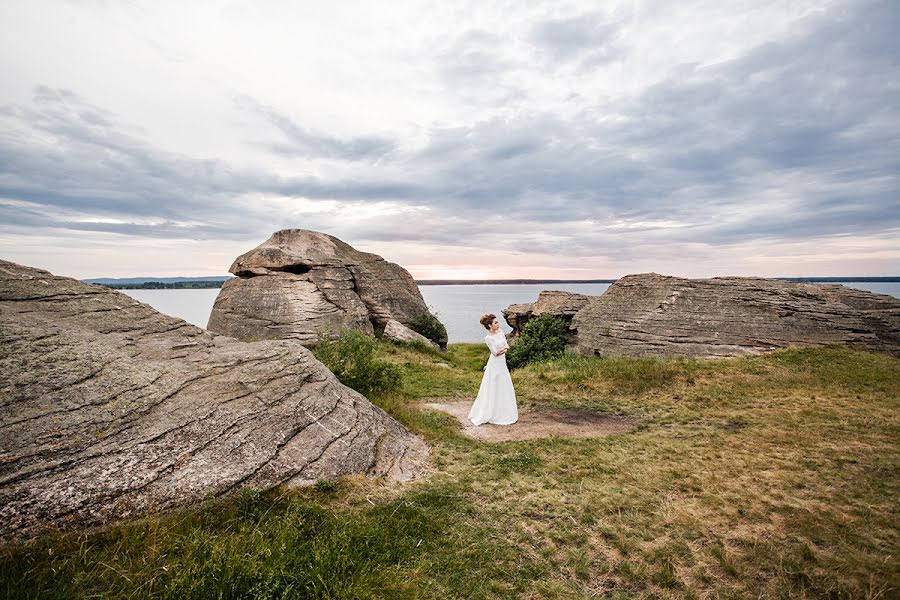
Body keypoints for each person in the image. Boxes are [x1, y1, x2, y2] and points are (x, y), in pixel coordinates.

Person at [468, 313, 518, 426]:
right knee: (494, 384)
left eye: (497, 322)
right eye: (495, 323)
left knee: (504, 384)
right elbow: (495, 352)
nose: (498, 324)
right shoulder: (488, 338)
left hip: (502, 363)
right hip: (495, 363)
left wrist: (504, 349)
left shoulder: (500, 332)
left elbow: (506, 346)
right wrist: (503, 350)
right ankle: (491, 411)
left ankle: (504, 410)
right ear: (490, 325)